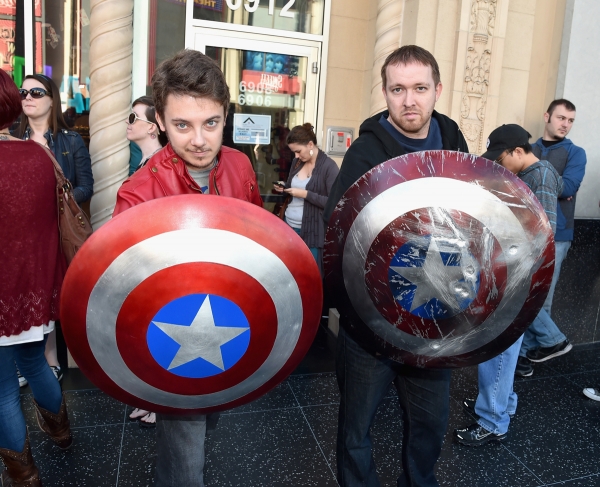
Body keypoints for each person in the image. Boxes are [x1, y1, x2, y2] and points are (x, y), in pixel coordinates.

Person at [113, 49, 262, 487]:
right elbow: (123, 288)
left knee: (209, 419)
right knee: (185, 461)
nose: (199, 139)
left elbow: (260, 245)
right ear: (159, 120)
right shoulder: (138, 192)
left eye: (210, 123)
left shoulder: (240, 165)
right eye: (182, 125)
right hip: (173, 333)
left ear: (225, 116)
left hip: (231, 322)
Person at [323, 45, 469, 487]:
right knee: (356, 429)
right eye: (398, 89)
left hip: (434, 315)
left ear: (437, 90)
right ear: (385, 92)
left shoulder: (453, 143)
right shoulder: (365, 151)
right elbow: (338, 228)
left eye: (420, 88)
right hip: (370, 315)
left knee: (429, 425)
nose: (409, 100)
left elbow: (473, 223)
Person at [454, 124, 563, 446]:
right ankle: (501, 405)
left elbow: (544, 231)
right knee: (503, 348)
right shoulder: (528, 175)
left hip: (519, 275)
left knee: (499, 348)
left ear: (517, 151)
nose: (499, 166)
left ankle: (492, 420)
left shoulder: (540, 175)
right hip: (513, 271)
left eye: (501, 159)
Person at [0, 68, 73, 487]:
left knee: (1, 390)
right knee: (34, 362)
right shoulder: (39, 155)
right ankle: (61, 433)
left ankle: (24, 475)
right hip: (34, 286)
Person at [15, 73, 94, 384]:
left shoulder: (70, 141)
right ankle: (26, 360)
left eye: (36, 92)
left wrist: (59, 199)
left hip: (57, 229)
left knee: (50, 290)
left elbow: (86, 185)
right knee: (25, 290)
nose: (27, 97)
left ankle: (50, 360)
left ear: (51, 100)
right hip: (20, 232)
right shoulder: (11, 138)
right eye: (23, 92)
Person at [516, 99, 586, 377]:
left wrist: (538, 177)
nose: (565, 124)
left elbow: (569, 187)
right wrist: (552, 184)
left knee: (541, 297)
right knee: (522, 293)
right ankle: (544, 343)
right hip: (523, 231)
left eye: (570, 120)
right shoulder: (529, 149)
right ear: (547, 116)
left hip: (559, 234)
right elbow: (516, 185)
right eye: (561, 118)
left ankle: (525, 355)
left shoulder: (576, 153)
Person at [273, 123, 339, 274]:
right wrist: (285, 187)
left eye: (298, 151)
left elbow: (334, 203)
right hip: (288, 226)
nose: (296, 156)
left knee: (310, 275)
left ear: (310, 145)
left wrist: (305, 194)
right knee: (289, 274)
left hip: (312, 232)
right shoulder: (297, 163)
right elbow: (294, 186)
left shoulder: (329, 167)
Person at [126, 96, 168, 175]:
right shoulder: (150, 160)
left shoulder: (159, 166)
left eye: (133, 117)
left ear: (151, 128)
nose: (127, 121)